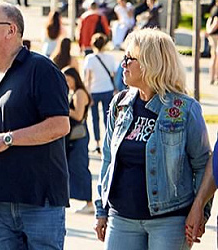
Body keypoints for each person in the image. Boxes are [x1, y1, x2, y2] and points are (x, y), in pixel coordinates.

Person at [0, 2, 70, 250]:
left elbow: (60, 125)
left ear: (11, 30)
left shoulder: (41, 69)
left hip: (39, 202)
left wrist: (6, 139)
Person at [95, 30, 208, 247]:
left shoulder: (184, 109)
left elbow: (203, 164)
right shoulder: (120, 104)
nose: (123, 65)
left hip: (170, 221)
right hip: (121, 218)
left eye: (129, 58)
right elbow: (108, 160)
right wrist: (102, 210)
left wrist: (199, 211)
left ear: (150, 63)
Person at [63, 67, 94, 213]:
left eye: (68, 80)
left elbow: (78, 115)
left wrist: (63, 108)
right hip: (74, 136)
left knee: (80, 167)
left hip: (79, 135)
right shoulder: (74, 93)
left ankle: (89, 203)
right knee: (73, 167)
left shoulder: (80, 93)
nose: (67, 83)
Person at [83, 33, 118, 148]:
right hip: (107, 89)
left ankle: (97, 142)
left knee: (94, 118)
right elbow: (114, 73)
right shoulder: (110, 58)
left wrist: (87, 93)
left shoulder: (90, 59)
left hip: (94, 91)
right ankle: (108, 141)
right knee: (107, 117)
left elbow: (87, 79)